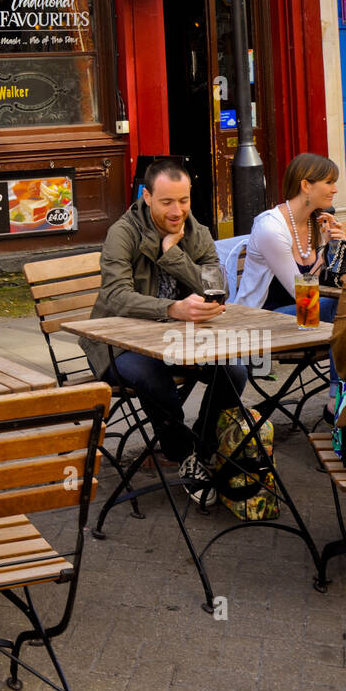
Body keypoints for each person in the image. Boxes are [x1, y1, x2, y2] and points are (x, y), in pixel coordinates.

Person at [78, 157, 248, 506]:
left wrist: (175, 258)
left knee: (235, 370)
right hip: (119, 344)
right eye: (167, 201)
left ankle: (200, 450)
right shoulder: (123, 233)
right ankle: (182, 452)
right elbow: (115, 295)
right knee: (153, 377)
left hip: (177, 342)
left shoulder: (194, 230)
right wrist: (172, 309)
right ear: (147, 196)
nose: (177, 210)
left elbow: (218, 286)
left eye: (183, 200)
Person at [235, 152, 342, 407]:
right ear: (306, 185)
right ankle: (336, 398)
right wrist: (325, 255)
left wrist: (337, 246)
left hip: (302, 315)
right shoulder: (271, 228)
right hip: (261, 321)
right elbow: (304, 298)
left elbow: (330, 283)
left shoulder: (315, 223)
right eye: (328, 182)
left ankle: (344, 395)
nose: (335, 189)